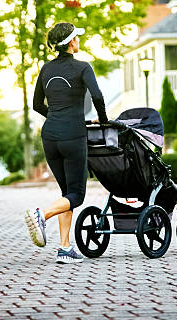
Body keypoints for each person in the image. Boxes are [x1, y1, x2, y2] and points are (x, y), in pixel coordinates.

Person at [24, 22, 108, 264]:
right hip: (73, 135)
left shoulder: (45, 69)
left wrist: (55, 117)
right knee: (77, 195)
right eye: (77, 38)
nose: (79, 41)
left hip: (50, 136)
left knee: (67, 193)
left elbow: (36, 104)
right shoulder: (83, 67)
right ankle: (42, 215)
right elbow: (98, 96)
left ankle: (64, 248)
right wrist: (103, 122)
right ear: (72, 42)